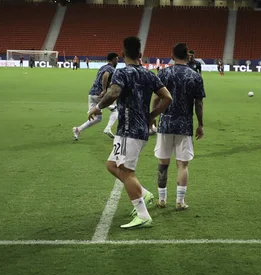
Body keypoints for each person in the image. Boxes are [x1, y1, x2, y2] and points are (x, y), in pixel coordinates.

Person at [88, 36, 172, 229]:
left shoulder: (122, 73)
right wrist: (151, 116)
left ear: (123, 54)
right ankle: (143, 193)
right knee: (111, 165)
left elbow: (114, 93)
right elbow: (167, 97)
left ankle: (143, 215)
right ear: (140, 55)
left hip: (128, 130)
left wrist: (98, 107)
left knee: (126, 172)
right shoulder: (149, 75)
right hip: (139, 130)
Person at [153, 43, 205, 211]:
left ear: (172, 55)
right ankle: (180, 201)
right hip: (185, 124)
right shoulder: (195, 76)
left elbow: (156, 98)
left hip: (165, 123)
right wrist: (200, 124)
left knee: (163, 162)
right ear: (187, 55)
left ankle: (162, 200)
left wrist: (153, 116)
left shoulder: (164, 72)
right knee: (183, 165)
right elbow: (199, 103)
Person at [73, 52, 119, 141]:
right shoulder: (111, 69)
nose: (118, 60)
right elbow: (106, 75)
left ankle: (78, 130)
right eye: (117, 58)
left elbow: (100, 79)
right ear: (113, 59)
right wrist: (104, 89)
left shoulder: (103, 67)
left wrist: (107, 86)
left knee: (98, 118)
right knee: (115, 109)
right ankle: (108, 128)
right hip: (99, 95)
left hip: (91, 94)